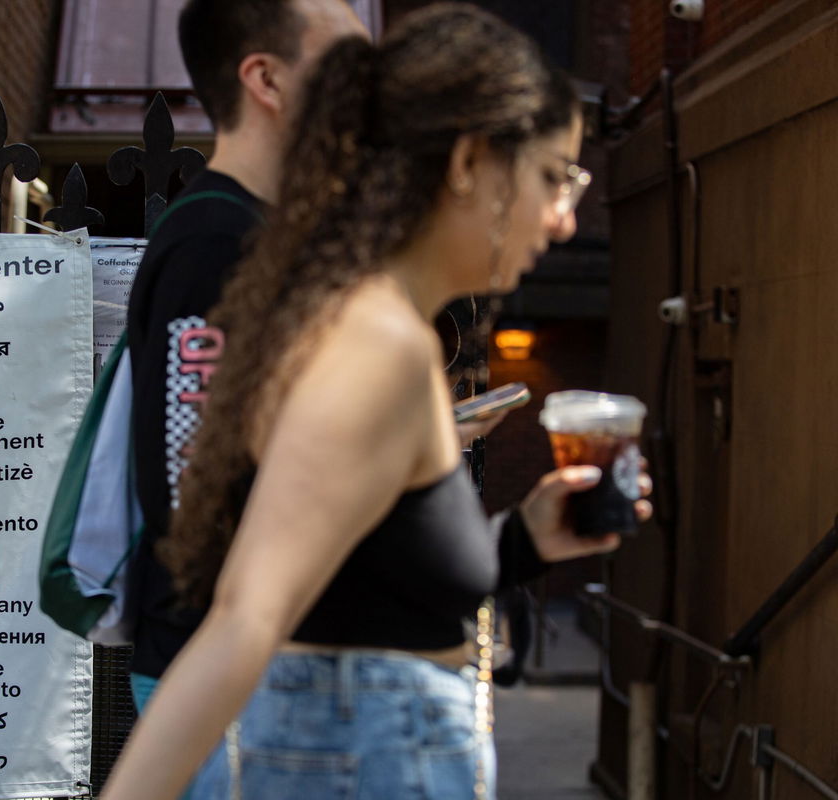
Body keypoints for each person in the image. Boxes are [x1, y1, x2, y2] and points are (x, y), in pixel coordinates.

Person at [104, 5, 652, 799]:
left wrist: (528, 539)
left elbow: (356, 588)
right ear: (469, 163)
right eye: (553, 176)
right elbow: (247, 616)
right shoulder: (377, 343)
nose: (566, 219)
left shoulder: (382, 327)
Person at [125, 0, 369, 711]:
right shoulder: (215, 240)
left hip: (245, 663)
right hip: (220, 675)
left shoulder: (252, 230)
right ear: (268, 80)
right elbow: (191, 488)